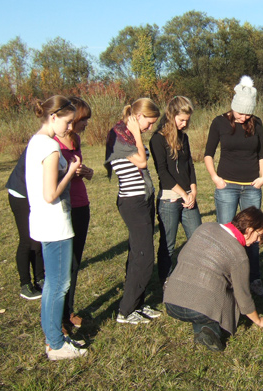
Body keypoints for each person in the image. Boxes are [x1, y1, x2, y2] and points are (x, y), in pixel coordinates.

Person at [25, 95, 87, 360]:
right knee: (58, 284)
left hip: (43, 222)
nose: (70, 127)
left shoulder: (35, 142)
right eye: (68, 121)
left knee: (52, 283)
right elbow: (50, 194)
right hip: (55, 225)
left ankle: (53, 339)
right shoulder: (50, 147)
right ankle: (56, 343)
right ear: (53, 117)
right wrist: (71, 172)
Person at [163, 206, 263, 351]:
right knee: (231, 294)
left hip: (171, 301)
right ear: (249, 229)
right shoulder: (239, 255)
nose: (257, 242)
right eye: (259, 236)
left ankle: (202, 328)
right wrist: (259, 321)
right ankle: (211, 331)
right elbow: (244, 298)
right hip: (199, 308)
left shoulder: (205, 227)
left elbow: (182, 256)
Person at [204, 75, 263, 297]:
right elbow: (208, 154)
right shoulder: (218, 122)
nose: (244, 117)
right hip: (226, 186)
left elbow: (262, 154)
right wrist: (215, 178)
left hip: (252, 186)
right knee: (226, 236)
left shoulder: (257, 124)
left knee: (253, 235)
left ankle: (254, 280)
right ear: (233, 107)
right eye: (240, 113)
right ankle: (224, 279)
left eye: (248, 113)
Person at [104, 98, 162, 325]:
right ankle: (126, 311)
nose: (149, 128)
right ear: (138, 117)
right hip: (133, 202)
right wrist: (137, 133)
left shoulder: (127, 137)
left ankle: (136, 303)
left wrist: (138, 133)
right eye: (148, 123)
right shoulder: (120, 136)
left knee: (137, 252)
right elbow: (141, 161)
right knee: (144, 256)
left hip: (143, 199)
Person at [150, 96, 201, 284]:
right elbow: (162, 172)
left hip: (189, 197)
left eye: (187, 120)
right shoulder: (157, 139)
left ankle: (197, 278)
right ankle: (166, 281)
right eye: (181, 120)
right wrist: (183, 193)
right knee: (168, 245)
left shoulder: (184, 137)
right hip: (169, 199)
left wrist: (193, 192)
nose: (184, 124)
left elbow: (190, 166)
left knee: (197, 240)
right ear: (171, 116)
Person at [54, 96, 93, 334]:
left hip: (81, 203)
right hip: (62, 206)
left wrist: (85, 171)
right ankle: (57, 317)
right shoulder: (52, 142)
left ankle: (68, 311)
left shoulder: (75, 139)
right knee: (63, 265)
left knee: (75, 262)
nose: (86, 123)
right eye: (84, 119)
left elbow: (77, 169)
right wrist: (69, 172)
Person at [6, 148, 44, 300]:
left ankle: (40, 278)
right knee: (27, 239)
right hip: (21, 194)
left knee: (39, 237)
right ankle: (25, 284)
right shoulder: (42, 143)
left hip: (35, 194)